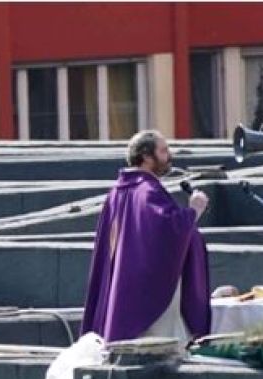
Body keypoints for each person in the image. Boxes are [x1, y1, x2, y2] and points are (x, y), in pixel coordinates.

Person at [80, 130, 211, 346]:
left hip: (123, 289)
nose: (169, 156)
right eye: (163, 151)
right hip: (148, 298)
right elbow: (168, 231)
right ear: (147, 157)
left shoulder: (116, 192)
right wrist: (194, 211)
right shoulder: (147, 190)